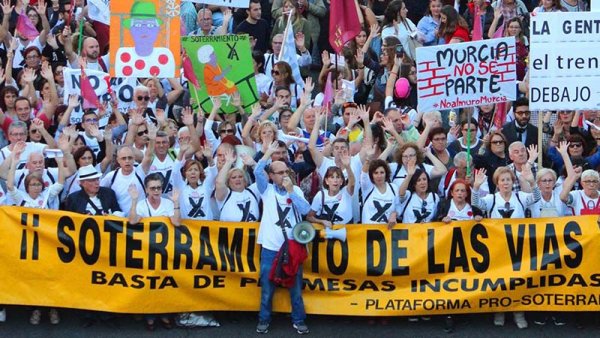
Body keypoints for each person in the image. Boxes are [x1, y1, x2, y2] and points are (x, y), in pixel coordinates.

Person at [472, 166, 540, 329]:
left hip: (519, 246)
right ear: (497, 183)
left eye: (508, 180)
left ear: (513, 181)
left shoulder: (520, 196)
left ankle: (519, 313)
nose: (505, 183)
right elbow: (476, 203)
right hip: (498, 247)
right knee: (500, 280)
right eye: (502, 180)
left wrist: (531, 181)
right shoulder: (492, 199)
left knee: (518, 280)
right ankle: (499, 311)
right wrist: (476, 186)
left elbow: (536, 197)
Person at [254, 141, 311, 334]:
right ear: (271, 176)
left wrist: (291, 192)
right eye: (280, 172)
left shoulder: (295, 191)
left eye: (286, 172)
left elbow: (305, 210)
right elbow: (256, 171)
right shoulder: (267, 191)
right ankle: (264, 319)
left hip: (292, 248)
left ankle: (298, 319)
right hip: (271, 248)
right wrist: (268, 152)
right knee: (268, 289)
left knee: (295, 288)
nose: (284, 175)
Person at [128, 173, 180, 331]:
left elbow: (177, 222)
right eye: (153, 188)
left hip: (166, 252)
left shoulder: (168, 203)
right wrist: (135, 200)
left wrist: (176, 203)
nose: (156, 191)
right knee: (149, 284)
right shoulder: (142, 205)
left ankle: (164, 314)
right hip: (147, 251)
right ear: (146, 189)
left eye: (159, 187)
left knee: (164, 284)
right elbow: (132, 220)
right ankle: (149, 315)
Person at [307, 154, 355, 226]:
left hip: (346, 232)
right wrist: (321, 221)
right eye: (332, 177)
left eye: (338, 177)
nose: (335, 180)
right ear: (326, 180)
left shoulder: (346, 192)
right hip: (327, 234)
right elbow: (309, 217)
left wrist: (347, 167)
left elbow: (352, 183)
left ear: (342, 181)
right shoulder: (320, 195)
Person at [215, 147, 261, 222]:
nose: (237, 179)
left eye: (240, 176)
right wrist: (228, 163)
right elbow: (219, 183)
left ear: (245, 180)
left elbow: (264, 179)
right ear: (228, 182)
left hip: (253, 232)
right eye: (233, 177)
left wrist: (254, 164)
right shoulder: (225, 195)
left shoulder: (253, 191)